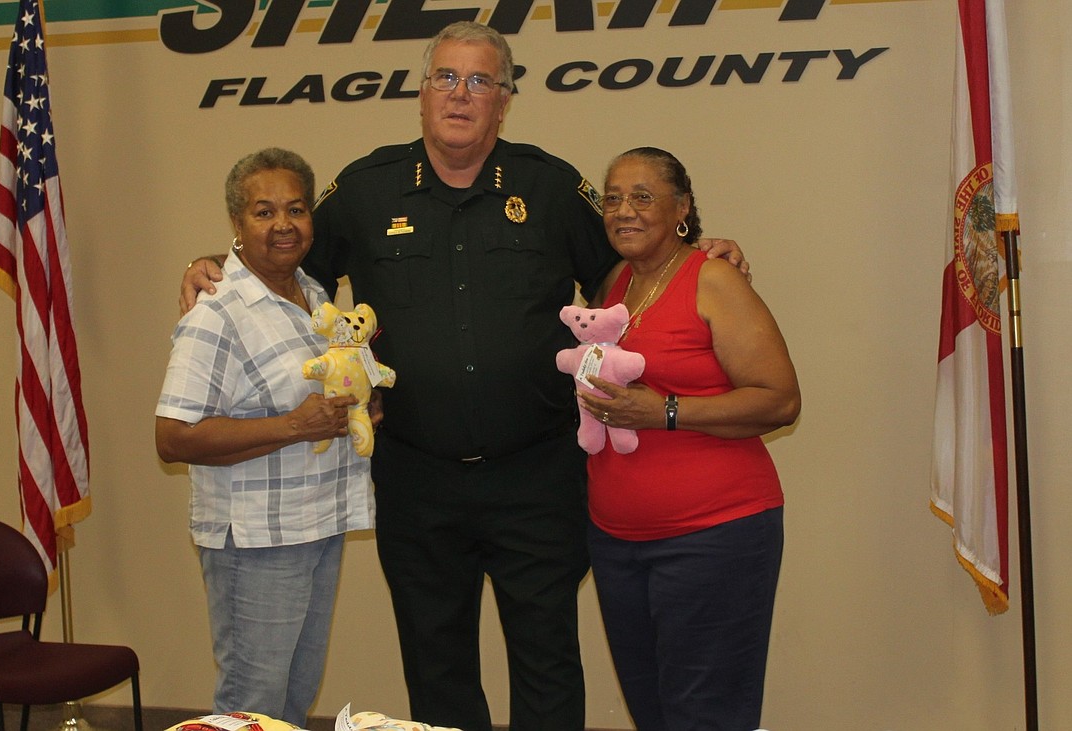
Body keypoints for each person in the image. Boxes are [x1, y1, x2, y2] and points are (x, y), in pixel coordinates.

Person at [179, 23, 748, 731]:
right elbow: (282, 259)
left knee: (547, 659)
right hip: (419, 480)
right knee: (436, 664)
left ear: (503, 101)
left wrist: (703, 252)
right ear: (422, 94)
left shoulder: (546, 185)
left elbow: (634, 268)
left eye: (480, 81)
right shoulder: (364, 188)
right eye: (446, 77)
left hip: (536, 475)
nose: (461, 94)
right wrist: (216, 264)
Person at [576, 147, 801, 731]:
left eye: (643, 197)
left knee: (705, 716)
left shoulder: (714, 279)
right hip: (616, 541)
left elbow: (780, 399)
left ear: (683, 209)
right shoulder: (613, 282)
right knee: (653, 714)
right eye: (613, 198)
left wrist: (666, 412)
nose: (624, 210)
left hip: (714, 537)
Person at [156, 148, 376, 728]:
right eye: (263, 211)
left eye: (297, 209)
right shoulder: (218, 313)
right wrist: (293, 426)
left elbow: (329, 398)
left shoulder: (317, 300)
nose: (283, 224)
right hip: (254, 541)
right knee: (251, 708)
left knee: (292, 702)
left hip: (317, 523)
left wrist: (360, 408)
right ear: (236, 223)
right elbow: (173, 437)